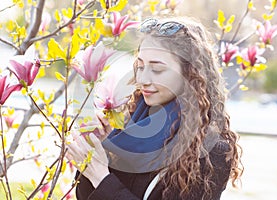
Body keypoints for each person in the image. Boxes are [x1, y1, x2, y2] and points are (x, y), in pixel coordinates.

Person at [66, 16, 243, 200]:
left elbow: (105, 185)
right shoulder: (129, 126)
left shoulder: (211, 149)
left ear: (190, 74)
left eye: (157, 69)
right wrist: (103, 150)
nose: (142, 79)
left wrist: (101, 177)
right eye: (140, 66)